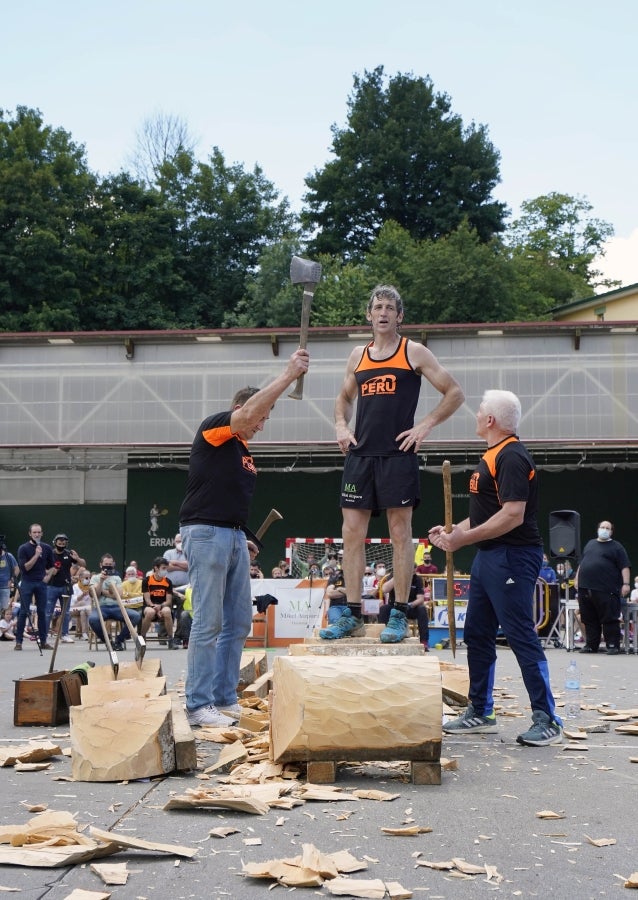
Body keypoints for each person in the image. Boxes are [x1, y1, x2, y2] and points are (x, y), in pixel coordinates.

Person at [321, 284, 463, 642]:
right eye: (378, 307)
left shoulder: (413, 351)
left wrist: (425, 425)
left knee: (401, 534)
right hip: (360, 454)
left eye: (389, 308)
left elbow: (455, 392)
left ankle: (398, 614)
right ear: (368, 315)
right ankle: (352, 614)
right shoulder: (358, 355)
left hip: (398, 455)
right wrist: (340, 425)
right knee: (351, 533)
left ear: (400, 316)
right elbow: (343, 398)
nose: (383, 312)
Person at [179, 346, 310, 727]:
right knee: (208, 622)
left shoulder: (241, 450)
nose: (262, 425)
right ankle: (197, 704)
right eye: (261, 416)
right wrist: (288, 375)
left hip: (233, 535)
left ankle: (222, 698)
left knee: (237, 622)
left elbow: (227, 495)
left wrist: (242, 538)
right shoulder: (215, 428)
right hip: (205, 532)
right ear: (243, 409)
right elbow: (249, 415)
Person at [429, 389, 563, 747]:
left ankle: (547, 718)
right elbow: (484, 515)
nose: (475, 415)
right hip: (489, 556)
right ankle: (481, 712)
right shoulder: (492, 455)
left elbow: (513, 515)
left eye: (479, 411)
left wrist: (464, 539)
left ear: (490, 420)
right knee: (477, 633)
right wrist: (453, 531)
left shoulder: (512, 456)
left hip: (513, 555)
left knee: (520, 634)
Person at [573, 520, 630, 655]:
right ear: (598, 529)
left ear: (611, 531)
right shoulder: (590, 544)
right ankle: (591, 645)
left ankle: (612, 645)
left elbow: (624, 566)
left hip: (606, 589)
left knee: (609, 618)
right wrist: (577, 578)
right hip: (585, 588)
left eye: (607, 528)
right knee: (588, 618)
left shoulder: (617, 547)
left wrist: (626, 584)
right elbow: (582, 563)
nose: (604, 529)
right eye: (602, 527)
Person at [15, 524, 56, 651]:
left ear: (42, 533)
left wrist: (47, 577)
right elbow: (25, 568)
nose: (37, 534)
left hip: (41, 583)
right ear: (30, 534)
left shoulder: (47, 548)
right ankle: (19, 642)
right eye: (34, 532)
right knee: (24, 612)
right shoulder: (23, 548)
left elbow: (52, 566)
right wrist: (36, 555)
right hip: (27, 582)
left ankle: (43, 641)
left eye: (39, 532)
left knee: (42, 612)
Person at [88, 554, 141, 651]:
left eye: (110, 564)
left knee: (136, 616)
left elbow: (118, 595)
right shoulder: (95, 578)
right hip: (101, 607)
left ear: (113, 565)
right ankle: (108, 641)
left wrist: (103, 591)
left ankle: (119, 640)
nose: (108, 566)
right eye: (106, 564)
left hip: (117, 607)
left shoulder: (116, 578)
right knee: (92, 619)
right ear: (101, 565)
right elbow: (95, 595)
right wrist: (101, 581)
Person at [46, 533, 86, 643]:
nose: (62, 543)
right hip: (51, 586)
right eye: (59, 541)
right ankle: (43, 635)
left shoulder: (69, 554)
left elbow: (83, 564)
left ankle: (65, 634)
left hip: (66, 586)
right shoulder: (50, 554)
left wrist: (77, 558)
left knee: (66, 612)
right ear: (55, 542)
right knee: (48, 612)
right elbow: (44, 569)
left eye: (64, 541)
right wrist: (51, 571)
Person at [379, 564, 430, 650]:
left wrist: (410, 605)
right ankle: (382, 635)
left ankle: (424, 641)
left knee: (422, 609)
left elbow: (420, 599)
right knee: (383, 609)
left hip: (410, 607)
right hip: (394, 607)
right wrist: (397, 576)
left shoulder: (417, 579)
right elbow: (384, 589)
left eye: (412, 569)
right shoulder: (393, 575)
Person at [140, 557, 179, 648]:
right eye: (163, 568)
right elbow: (147, 599)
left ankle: (170, 639)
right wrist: (155, 608)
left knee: (167, 611)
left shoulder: (168, 582)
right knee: (150, 612)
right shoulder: (147, 580)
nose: (165, 570)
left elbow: (168, 601)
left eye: (166, 568)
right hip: (150, 606)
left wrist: (160, 606)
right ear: (156, 568)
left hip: (163, 605)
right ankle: (142, 638)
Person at [0, 541, 19, 611]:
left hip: (5, 587)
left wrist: (12, 580)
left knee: (4, 609)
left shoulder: (8, 556)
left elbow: (17, 569)